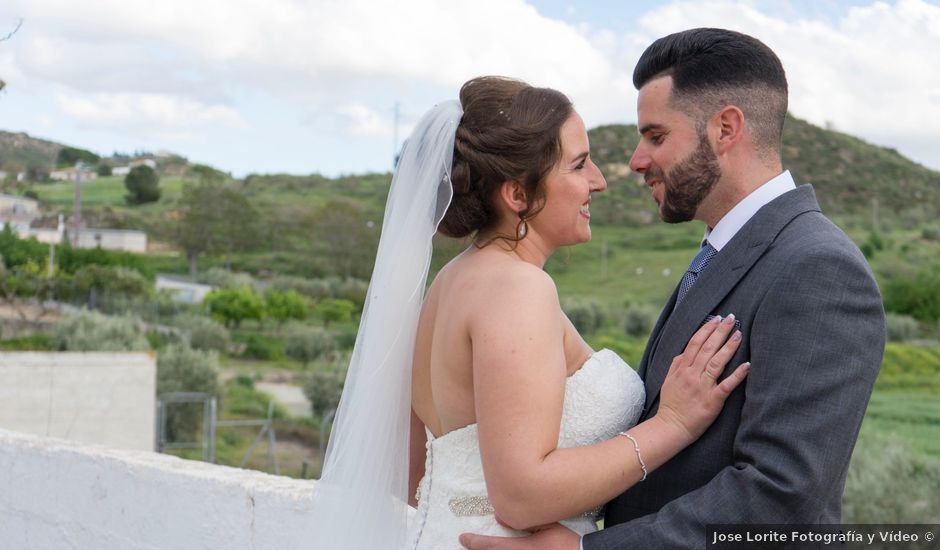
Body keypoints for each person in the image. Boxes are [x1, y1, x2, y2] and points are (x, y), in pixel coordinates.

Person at [459, 28, 886, 550]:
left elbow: (783, 498)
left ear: (726, 128)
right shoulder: (724, 253)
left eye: (656, 137)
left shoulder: (816, 268)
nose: (636, 161)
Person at [306, 75, 748, 549]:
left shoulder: (451, 283)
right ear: (518, 195)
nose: (598, 181)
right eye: (579, 165)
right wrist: (672, 426)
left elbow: (416, 472)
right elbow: (521, 496)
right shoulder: (517, 288)